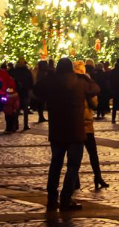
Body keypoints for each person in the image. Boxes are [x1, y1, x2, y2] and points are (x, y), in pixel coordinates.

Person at [33, 57, 99, 212]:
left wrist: (50, 75)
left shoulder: (52, 81)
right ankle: (66, 198)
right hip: (76, 129)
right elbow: (96, 88)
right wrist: (83, 76)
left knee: (55, 164)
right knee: (73, 165)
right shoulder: (80, 81)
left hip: (57, 129)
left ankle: (51, 198)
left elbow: (37, 91)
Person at [74, 61, 108, 189]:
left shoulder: (70, 84)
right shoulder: (87, 85)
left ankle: (75, 180)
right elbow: (94, 104)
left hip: (75, 123)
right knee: (93, 153)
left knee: (76, 155)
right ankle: (98, 177)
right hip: (87, 123)